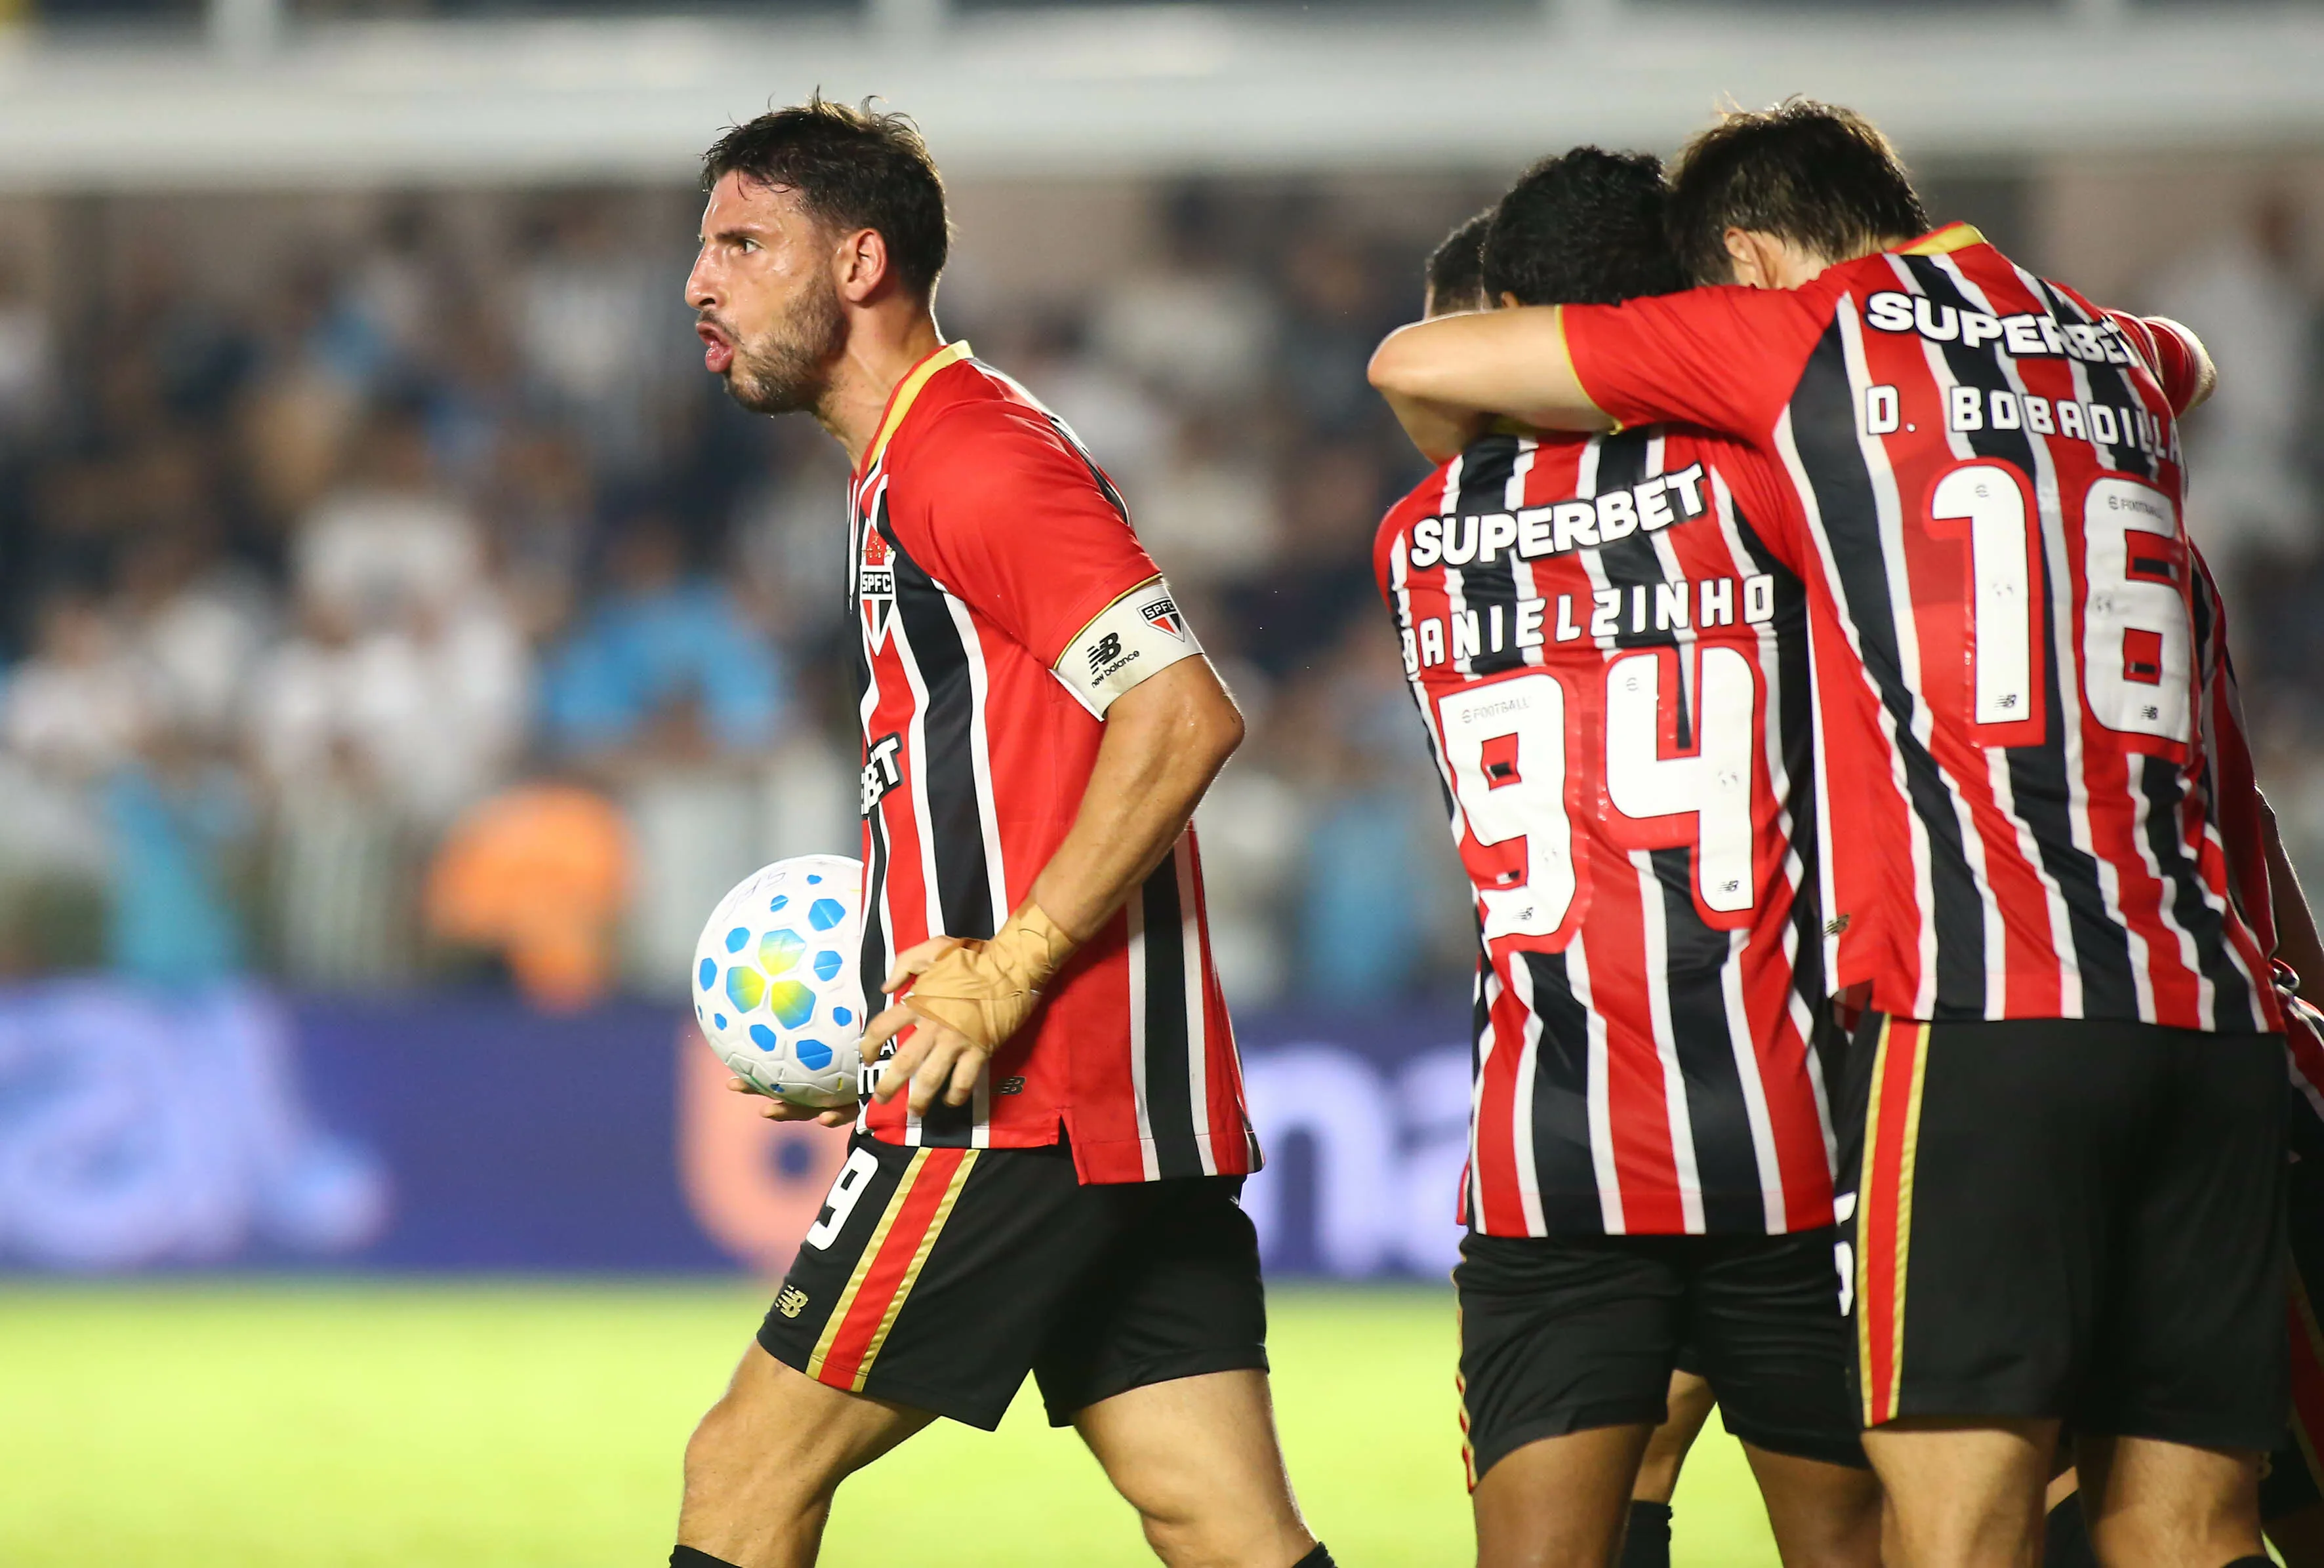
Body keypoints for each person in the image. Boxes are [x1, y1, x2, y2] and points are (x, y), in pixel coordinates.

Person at [1370, 100, 2287, 1568]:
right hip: (2170, 1005)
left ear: (1737, 261)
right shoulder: (2095, 363)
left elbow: (1417, 368)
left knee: (1949, 1515)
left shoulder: (1781, 368)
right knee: (2183, 1520)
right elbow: (2190, 359)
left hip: (1943, 1016)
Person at [669, 98, 1334, 1568]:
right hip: (1117, 1105)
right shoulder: (914, 461)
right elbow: (1003, 780)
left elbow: (1182, 715)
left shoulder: (969, 454)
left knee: (743, 1471)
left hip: (1024, 1099)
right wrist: (887, 1017)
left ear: (858, 263)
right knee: (1217, 1517)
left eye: (740, 243)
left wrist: (1012, 968)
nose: (699, 283)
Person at [1377, 153, 1877, 1568]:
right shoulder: (1760, 484)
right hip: (1792, 1140)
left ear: (1514, 314)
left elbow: (1433, 404)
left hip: (1549, 1151)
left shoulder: (1414, 542)